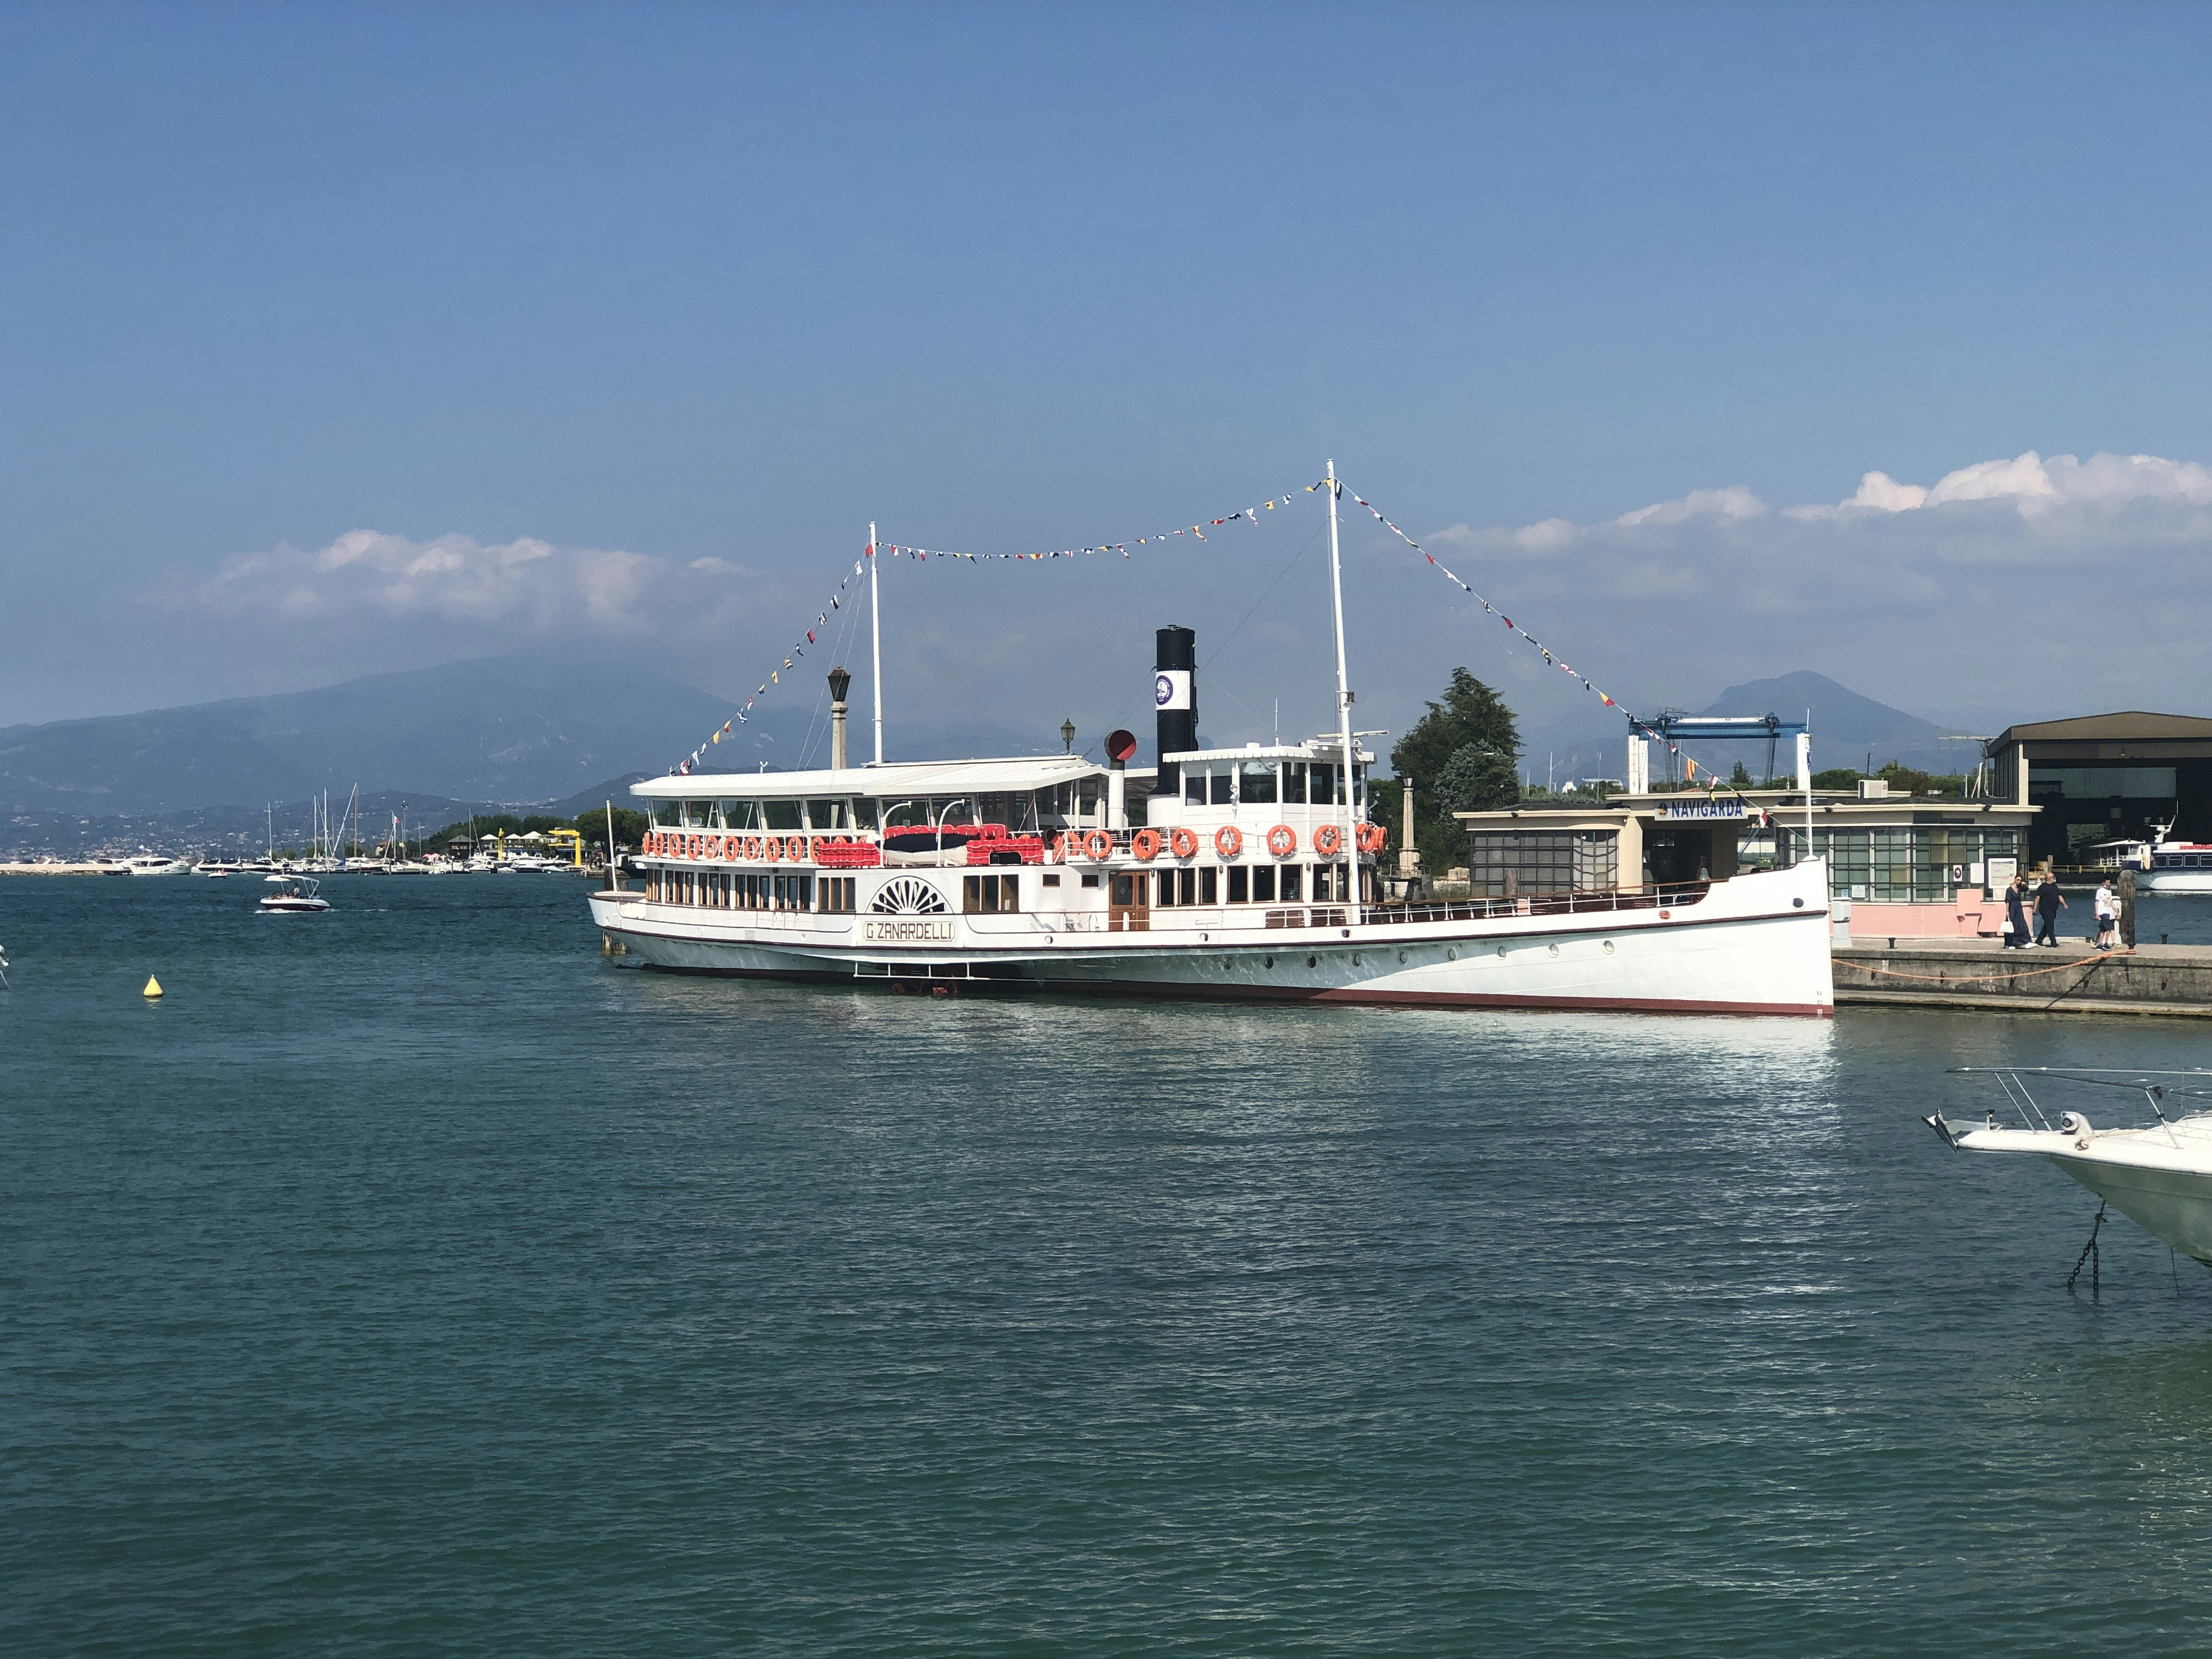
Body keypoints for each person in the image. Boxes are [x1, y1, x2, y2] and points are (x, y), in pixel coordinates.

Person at [2033, 872, 2067, 947]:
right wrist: (2035, 908)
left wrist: (2064, 904)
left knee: (2047, 925)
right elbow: (2037, 898)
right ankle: (2053, 943)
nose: (2054, 878)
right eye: (2053, 877)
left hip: (2053, 909)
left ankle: (2039, 941)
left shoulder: (2055, 887)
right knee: (2050, 925)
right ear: (2049, 878)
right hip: (2045, 909)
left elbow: (2059, 896)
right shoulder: (2043, 887)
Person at [2004, 873, 2030, 949]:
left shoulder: (2020, 888)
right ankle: (2009, 943)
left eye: (2020, 880)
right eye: (2018, 880)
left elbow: (2026, 889)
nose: (2019, 882)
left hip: (2018, 908)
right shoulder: (2009, 890)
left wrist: (2024, 884)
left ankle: (2021, 941)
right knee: (2012, 924)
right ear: (2015, 879)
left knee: (2020, 923)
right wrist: (2007, 911)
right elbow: (2007, 901)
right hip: (2012, 908)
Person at [2095, 876, 2119, 952]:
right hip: (2103, 912)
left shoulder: (2109, 891)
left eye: (2109, 883)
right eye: (2107, 883)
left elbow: (2110, 902)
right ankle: (2106, 944)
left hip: (2109, 911)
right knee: (2109, 928)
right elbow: (2097, 901)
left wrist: (2117, 912)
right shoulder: (2100, 891)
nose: (2109, 884)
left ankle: (2100, 944)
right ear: (2103, 883)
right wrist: (2097, 912)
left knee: (2103, 929)